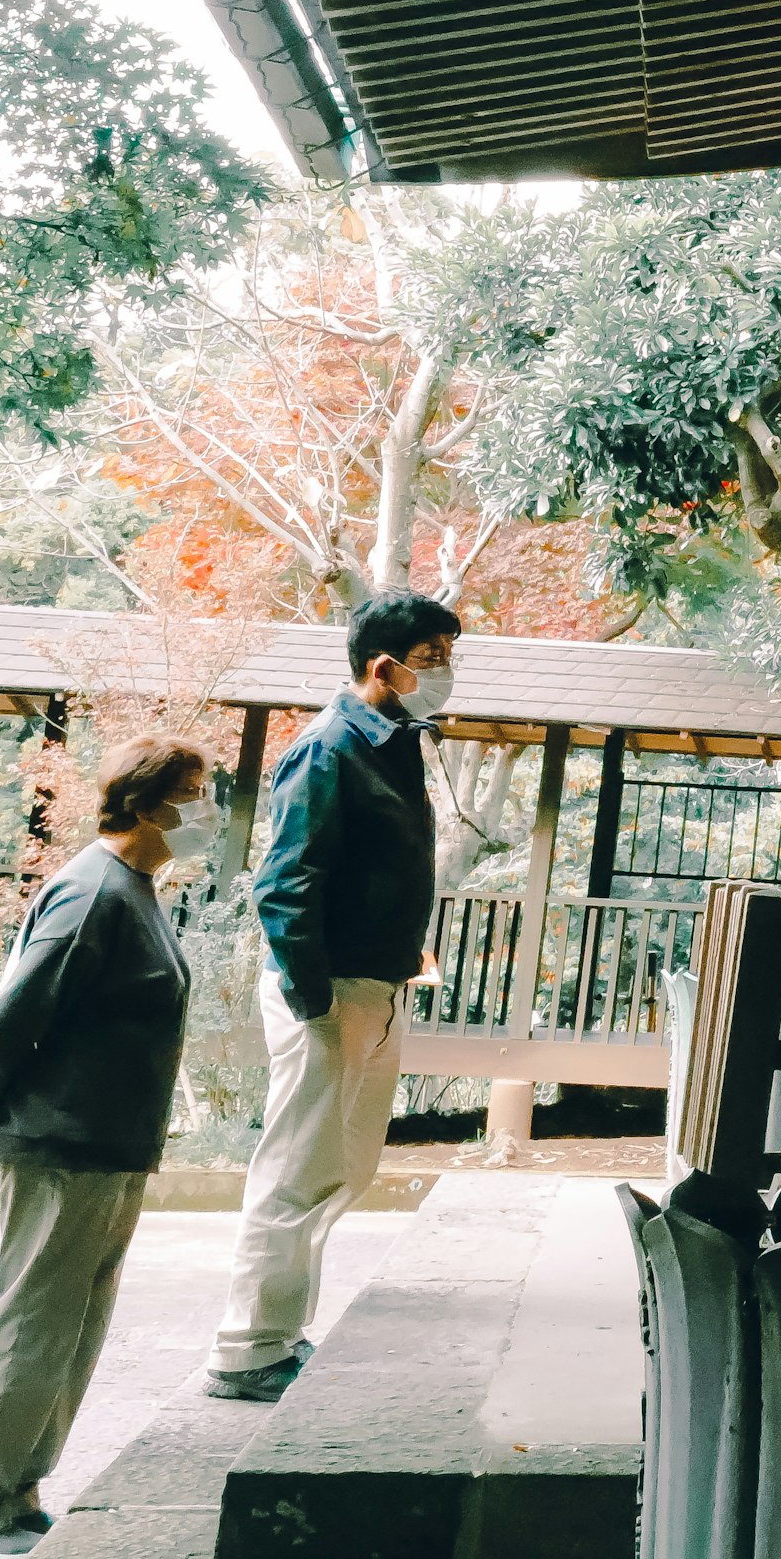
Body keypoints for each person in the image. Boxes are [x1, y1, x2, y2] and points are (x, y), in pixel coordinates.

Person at [0, 739, 220, 1559]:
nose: (208, 808)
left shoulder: (137, 889)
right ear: (148, 803)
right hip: (60, 1144)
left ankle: (16, 1495)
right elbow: (15, 1012)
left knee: (70, 1332)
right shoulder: (93, 892)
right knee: (32, 1328)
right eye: (196, 791)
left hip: (109, 1147)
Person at [205, 593, 456, 1400]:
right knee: (297, 1171)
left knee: (344, 1166)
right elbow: (285, 885)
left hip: (374, 986)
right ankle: (247, 1348)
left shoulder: (394, 744)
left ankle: (283, 1332)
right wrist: (313, 1002)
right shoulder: (328, 748)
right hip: (329, 991)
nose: (446, 671)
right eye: (434, 655)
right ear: (385, 667)